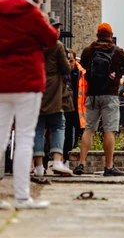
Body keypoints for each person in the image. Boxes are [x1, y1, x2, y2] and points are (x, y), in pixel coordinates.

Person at [0, 0, 59, 209]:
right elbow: (51, 38)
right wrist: (42, 16)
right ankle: (22, 197)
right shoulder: (30, 10)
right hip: (27, 82)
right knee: (24, 138)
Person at [73, 23, 124, 176]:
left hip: (92, 95)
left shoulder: (89, 50)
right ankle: (108, 167)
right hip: (110, 95)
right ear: (110, 35)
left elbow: (82, 67)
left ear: (97, 35)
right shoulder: (116, 51)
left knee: (89, 129)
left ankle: (81, 164)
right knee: (109, 130)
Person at [33, 18, 73, 177]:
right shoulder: (57, 46)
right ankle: (57, 161)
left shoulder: (34, 46)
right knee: (58, 125)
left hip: (37, 89)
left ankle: (38, 167)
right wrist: (70, 63)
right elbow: (65, 69)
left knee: (37, 128)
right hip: (54, 92)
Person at [63, 49, 87, 163]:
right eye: (67, 60)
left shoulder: (81, 73)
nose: (69, 63)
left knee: (79, 133)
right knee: (66, 134)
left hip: (79, 108)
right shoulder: (62, 72)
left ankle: (76, 158)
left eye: (71, 60)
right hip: (66, 108)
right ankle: (66, 157)